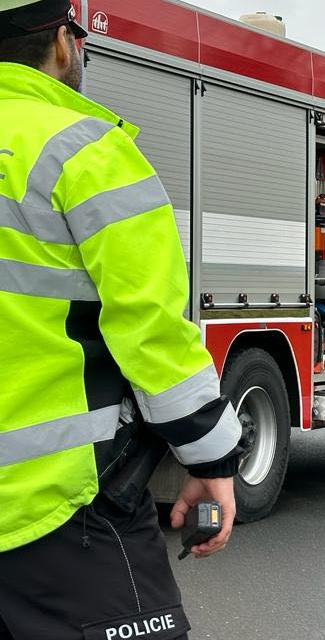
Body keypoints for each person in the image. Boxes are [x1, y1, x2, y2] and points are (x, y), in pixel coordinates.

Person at [0, 4, 243, 638]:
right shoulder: (82, 150)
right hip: (58, 513)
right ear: (61, 41)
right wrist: (212, 460)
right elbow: (151, 331)